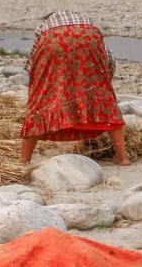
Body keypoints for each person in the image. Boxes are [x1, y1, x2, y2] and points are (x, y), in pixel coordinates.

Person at [20, 10, 129, 165]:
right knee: (105, 102)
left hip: (54, 39)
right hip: (89, 36)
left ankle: (24, 161)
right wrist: (104, 83)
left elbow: (33, 61)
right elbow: (108, 57)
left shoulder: (45, 26)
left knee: (40, 105)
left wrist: (39, 86)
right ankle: (123, 158)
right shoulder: (88, 23)